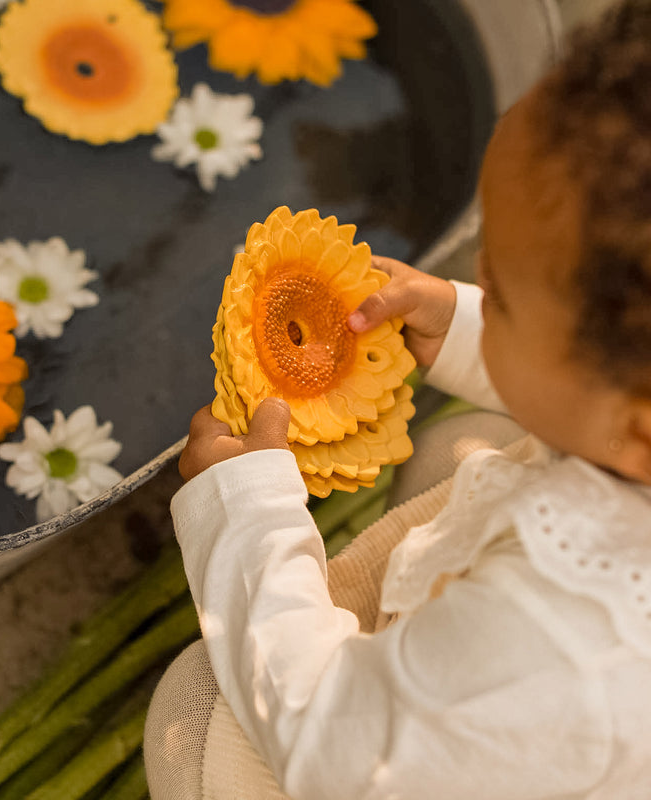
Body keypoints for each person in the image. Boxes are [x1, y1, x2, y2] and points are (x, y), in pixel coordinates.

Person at [144, 1, 651, 797]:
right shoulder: (624, 422)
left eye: (502, 295)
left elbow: (330, 739)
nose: (473, 278)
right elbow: (592, 398)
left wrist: (247, 518)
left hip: (398, 754)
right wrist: (465, 325)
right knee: (464, 451)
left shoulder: (554, 640)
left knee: (191, 709)